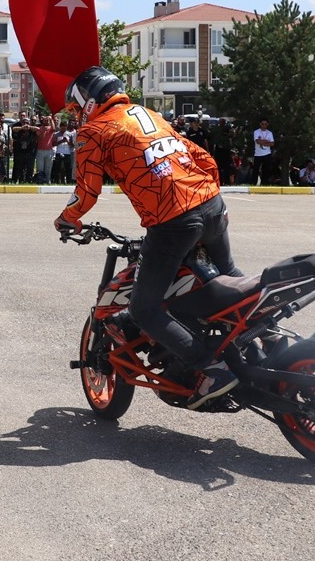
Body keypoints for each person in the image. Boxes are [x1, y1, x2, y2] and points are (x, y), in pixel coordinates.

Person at [54, 66, 242, 410]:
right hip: (212, 204)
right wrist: (207, 194)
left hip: (173, 220)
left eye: (75, 107)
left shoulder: (94, 130)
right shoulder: (148, 113)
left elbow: (86, 191)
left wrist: (66, 220)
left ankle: (211, 369)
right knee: (228, 278)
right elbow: (202, 157)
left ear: (90, 99)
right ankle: (259, 340)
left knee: (143, 309)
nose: (76, 114)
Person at [251, 118, 275, 186]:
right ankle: (254, 183)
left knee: (266, 169)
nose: (264, 125)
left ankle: (264, 183)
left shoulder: (270, 133)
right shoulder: (256, 132)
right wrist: (267, 141)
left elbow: (272, 143)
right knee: (256, 169)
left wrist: (263, 142)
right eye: (262, 124)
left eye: (265, 124)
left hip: (267, 154)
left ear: (267, 124)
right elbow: (257, 141)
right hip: (258, 154)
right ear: (260, 124)